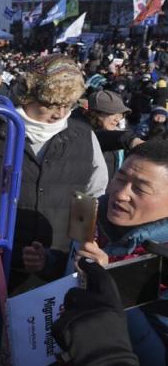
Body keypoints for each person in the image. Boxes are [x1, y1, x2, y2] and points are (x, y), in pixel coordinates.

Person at [0, 54, 108, 290]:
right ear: (28, 96)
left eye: (67, 105)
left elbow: (92, 194)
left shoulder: (84, 136)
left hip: (58, 270)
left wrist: (79, 249)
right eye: (51, 104)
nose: (60, 113)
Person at [76, 140, 168, 365]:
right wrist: (48, 262)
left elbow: (157, 356)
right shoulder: (91, 215)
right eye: (120, 178)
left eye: (140, 188)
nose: (121, 194)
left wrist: (111, 286)